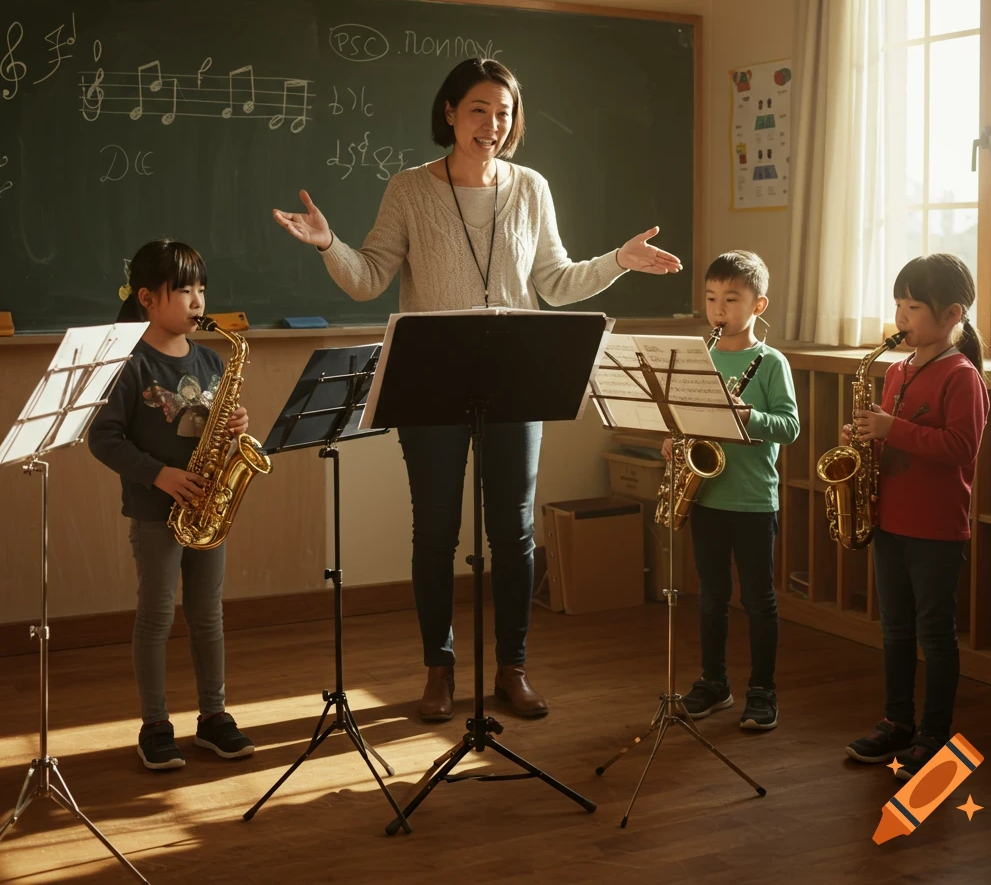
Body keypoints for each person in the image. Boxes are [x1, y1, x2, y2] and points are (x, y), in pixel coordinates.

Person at [273, 57, 681, 721]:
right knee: (434, 531)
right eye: (479, 110)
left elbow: (554, 281)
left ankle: (512, 668)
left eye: (504, 112)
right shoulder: (408, 189)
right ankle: (439, 669)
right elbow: (369, 277)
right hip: (432, 378)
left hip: (517, 380)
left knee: (514, 533)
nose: (492, 124)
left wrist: (617, 262)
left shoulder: (532, 188)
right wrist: (328, 244)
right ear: (449, 113)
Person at [88, 239, 255, 770]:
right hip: (154, 510)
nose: (197, 300)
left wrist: (234, 426)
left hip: (207, 507)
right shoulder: (130, 363)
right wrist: (159, 475)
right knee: (157, 617)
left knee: (208, 616)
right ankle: (155, 723)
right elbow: (104, 438)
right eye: (183, 289)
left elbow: (206, 426)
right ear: (146, 298)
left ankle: (214, 716)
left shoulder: (210, 359)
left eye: (201, 288)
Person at [844, 253, 989, 780]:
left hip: (936, 526)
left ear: (952, 314)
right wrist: (864, 438)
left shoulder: (961, 375)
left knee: (935, 634)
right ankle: (896, 722)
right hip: (891, 519)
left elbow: (960, 446)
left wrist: (890, 431)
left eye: (913, 307)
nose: (901, 318)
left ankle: (934, 732)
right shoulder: (896, 370)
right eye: (898, 305)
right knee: (896, 630)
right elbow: (893, 433)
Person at [662, 250, 799, 731]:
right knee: (710, 596)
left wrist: (749, 416)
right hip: (708, 497)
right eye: (711, 297)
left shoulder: (771, 362)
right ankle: (714, 683)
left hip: (754, 499)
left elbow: (790, 426)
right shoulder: (701, 358)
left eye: (731, 299)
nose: (719, 309)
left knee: (759, 599)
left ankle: (763, 690)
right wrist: (675, 440)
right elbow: (685, 416)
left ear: (758, 305)